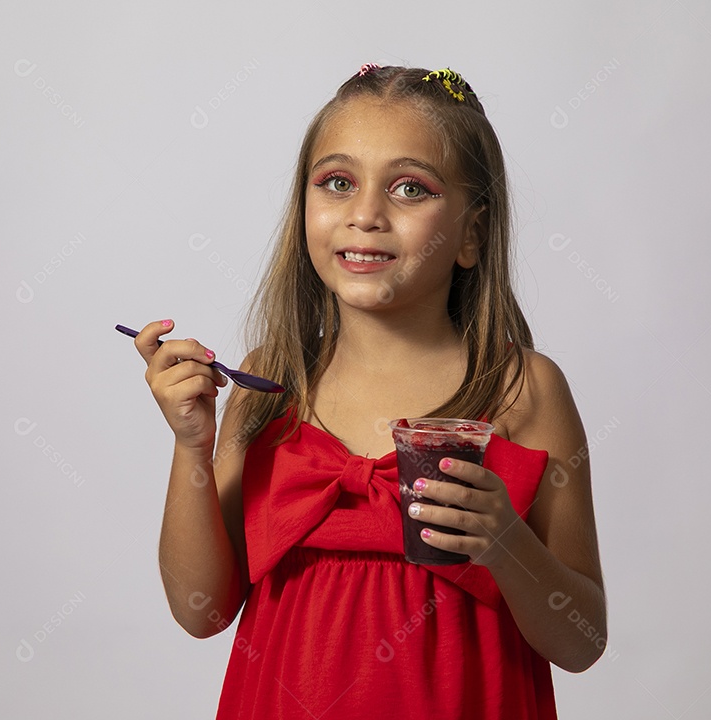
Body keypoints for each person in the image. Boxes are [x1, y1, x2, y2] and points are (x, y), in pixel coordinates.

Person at [133, 64, 606, 719]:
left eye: (410, 188)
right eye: (337, 183)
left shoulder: (524, 390)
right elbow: (200, 611)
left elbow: (581, 642)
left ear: (471, 232)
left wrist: (505, 543)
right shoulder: (270, 385)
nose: (365, 214)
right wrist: (192, 445)